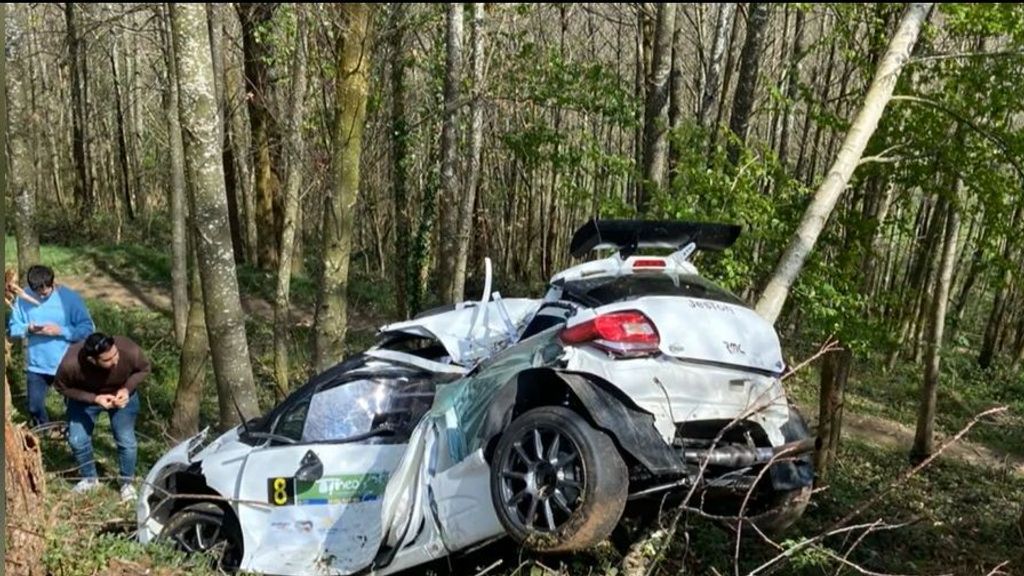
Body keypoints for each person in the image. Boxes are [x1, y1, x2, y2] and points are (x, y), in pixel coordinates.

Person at [54, 332, 151, 501]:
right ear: (93, 360)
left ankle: (126, 482)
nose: (115, 361)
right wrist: (94, 399)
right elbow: (62, 387)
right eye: (107, 360)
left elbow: (144, 369)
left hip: (122, 396)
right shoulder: (71, 364)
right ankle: (90, 478)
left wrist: (126, 389)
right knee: (77, 439)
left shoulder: (129, 350)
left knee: (126, 439)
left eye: (115, 355)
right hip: (86, 398)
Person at [7, 264, 95, 429]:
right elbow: (13, 328)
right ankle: (46, 432)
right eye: (37, 291)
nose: (42, 294)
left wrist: (61, 331)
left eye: (46, 290)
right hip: (37, 365)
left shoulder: (70, 298)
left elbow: (88, 328)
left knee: (74, 405)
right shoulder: (22, 298)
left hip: (66, 363)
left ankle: (73, 432)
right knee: (34, 406)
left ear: (52, 282)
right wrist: (28, 329)